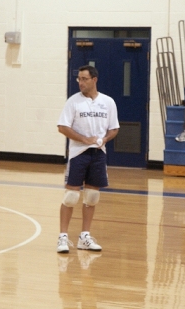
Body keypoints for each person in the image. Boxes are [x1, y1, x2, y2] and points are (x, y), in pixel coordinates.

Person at [56, 65, 119, 254]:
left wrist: (104, 139)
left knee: (91, 196)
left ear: (94, 80)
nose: (81, 83)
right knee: (71, 196)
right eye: (79, 79)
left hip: (99, 154)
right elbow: (62, 127)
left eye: (84, 79)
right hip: (78, 154)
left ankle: (85, 236)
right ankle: (63, 237)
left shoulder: (108, 102)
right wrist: (84, 140)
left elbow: (114, 128)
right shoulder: (73, 102)